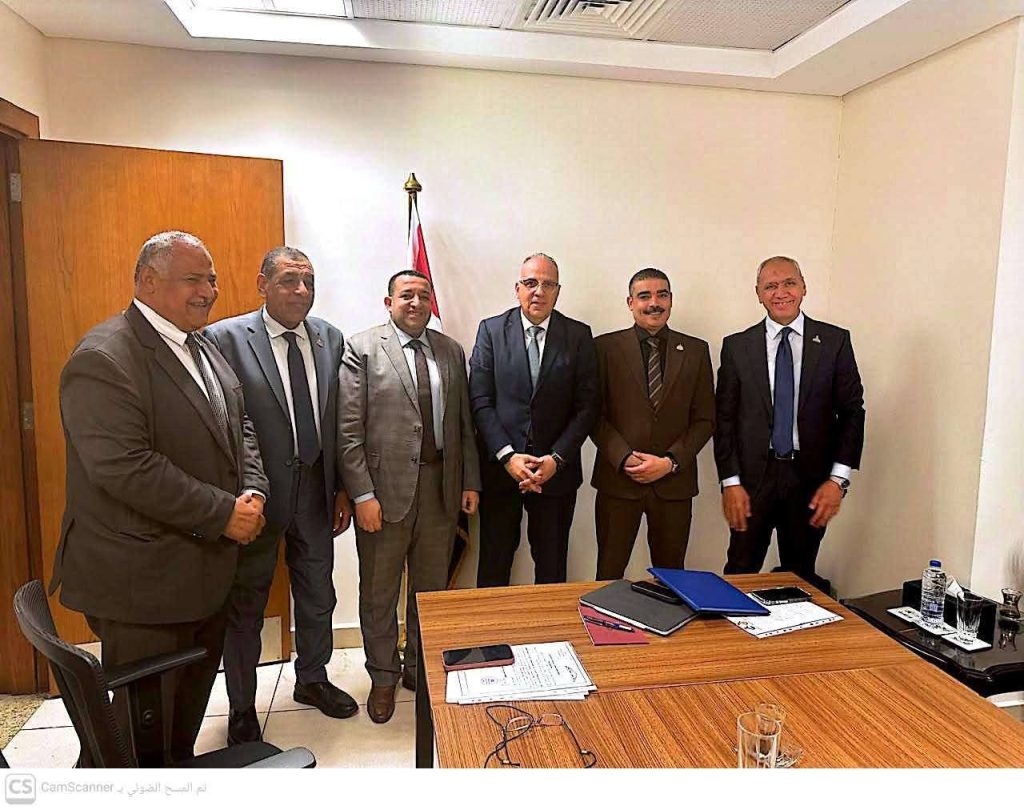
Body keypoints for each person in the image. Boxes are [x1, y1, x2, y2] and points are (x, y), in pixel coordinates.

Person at [51, 231, 268, 764]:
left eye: (211, 279)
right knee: (140, 748)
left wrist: (252, 490)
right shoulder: (104, 357)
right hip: (142, 585)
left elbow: (238, 423)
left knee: (179, 735)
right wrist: (222, 513)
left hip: (203, 573)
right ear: (147, 281)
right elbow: (125, 467)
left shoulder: (202, 343)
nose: (208, 291)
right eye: (193, 279)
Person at [204, 247, 356, 745]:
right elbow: (224, 423)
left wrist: (343, 488)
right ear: (262, 284)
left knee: (318, 595)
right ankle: (242, 706)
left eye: (308, 281)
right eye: (290, 280)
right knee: (246, 605)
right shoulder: (224, 339)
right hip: (257, 496)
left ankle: (312, 679)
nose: (302, 291)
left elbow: (338, 419)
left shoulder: (330, 337)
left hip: (316, 491)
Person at [338, 270, 480, 724]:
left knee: (430, 590)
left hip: (441, 490)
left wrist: (469, 481)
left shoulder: (450, 350)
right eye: (406, 295)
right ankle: (383, 677)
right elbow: (347, 431)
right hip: (383, 495)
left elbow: (462, 424)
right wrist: (362, 494)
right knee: (379, 592)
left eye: (423, 295)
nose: (416, 302)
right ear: (389, 302)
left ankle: (419, 667)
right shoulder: (361, 348)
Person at [714, 256, 865, 591]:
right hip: (752, 481)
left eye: (789, 283)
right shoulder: (737, 347)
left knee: (799, 577)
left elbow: (852, 412)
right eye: (770, 286)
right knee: (739, 572)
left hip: (810, 480)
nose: (780, 292)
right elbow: (723, 420)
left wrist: (837, 480)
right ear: (758, 294)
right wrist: (730, 482)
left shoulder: (835, 342)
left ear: (803, 287)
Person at [469, 253, 599, 587]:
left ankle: (549, 626)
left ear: (558, 291)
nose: (538, 291)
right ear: (517, 289)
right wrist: (508, 456)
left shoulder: (578, 335)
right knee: (494, 565)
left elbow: (587, 407)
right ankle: (494, 627)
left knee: (552, 569)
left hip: (555, 475)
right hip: (501, 473)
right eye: (530, 283)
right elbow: (480, 401)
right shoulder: (491, 331)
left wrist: (556, 459)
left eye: (547, 284)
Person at [591, 268, 715, 579]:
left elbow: (705, 419)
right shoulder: (603, 348)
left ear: (671, 300)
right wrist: (624, 457)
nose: (653, 303)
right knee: (608, 574)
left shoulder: (696, 350)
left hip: (674, 484)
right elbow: (593, 414)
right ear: (630, 302)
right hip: (619, 483)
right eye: (644, 296)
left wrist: (671, 462)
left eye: (662, 295)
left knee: (672, 579)